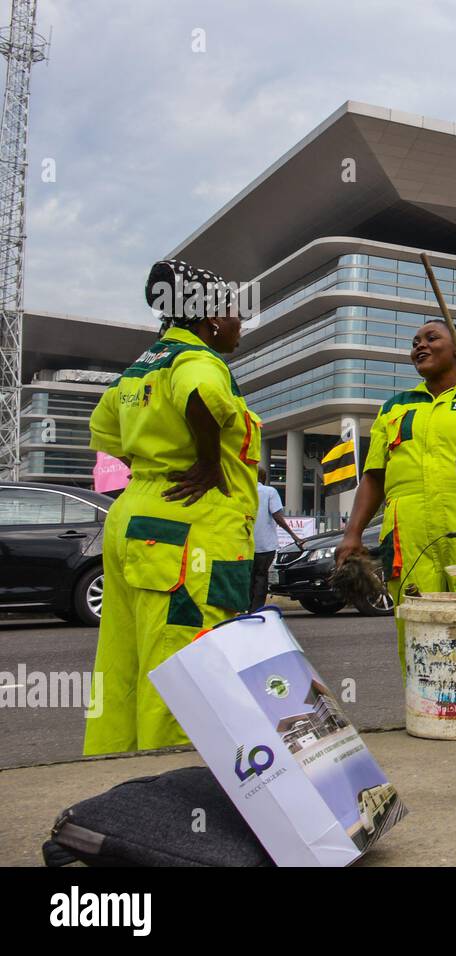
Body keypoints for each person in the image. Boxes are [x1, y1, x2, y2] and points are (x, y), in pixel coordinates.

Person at [85, 260, 261, 756]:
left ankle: (116, 769)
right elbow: (202, 397)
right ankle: (177, 791)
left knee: (125, 654)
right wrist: (205, 463)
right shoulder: (196, 360)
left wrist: (157, 464)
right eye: (232, 315)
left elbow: (105, 433)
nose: (238, 325)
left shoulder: (140, 367)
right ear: (209, 321)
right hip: (188, 528)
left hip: (138, 515)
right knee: (186, 659)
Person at [335, 316, 456, 702]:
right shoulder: (395, 407)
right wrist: (353, 533)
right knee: (418, 623)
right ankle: (429, 706)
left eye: (431, 337)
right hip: (408, 533)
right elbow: (373, 476)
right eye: (414, 341)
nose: (419, 346)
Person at [251, 465, 305, 610]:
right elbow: (278, 517)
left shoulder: (243, 491)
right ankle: (256, 610)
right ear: (264, 478)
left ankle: (245, 607)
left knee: (248, 577)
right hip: (265, 544)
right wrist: (294, 536)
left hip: (245, 544)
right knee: (261, 576)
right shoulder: (269, 492)